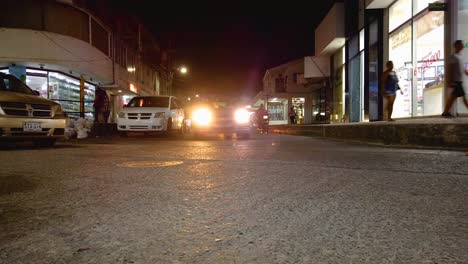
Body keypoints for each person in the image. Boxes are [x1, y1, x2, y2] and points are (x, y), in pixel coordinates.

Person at [442, 40, 468, 118]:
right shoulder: (454, 56)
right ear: (457, 46)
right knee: (463, 98)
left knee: (453, 98)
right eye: (461, 44)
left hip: (459, 81)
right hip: (457, 81)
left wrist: (466, 73)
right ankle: (445, 112)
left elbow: (462, 69)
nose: (463, 46)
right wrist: (450, 80)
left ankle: (445, 112)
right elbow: (450, 69)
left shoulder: (460, 56)